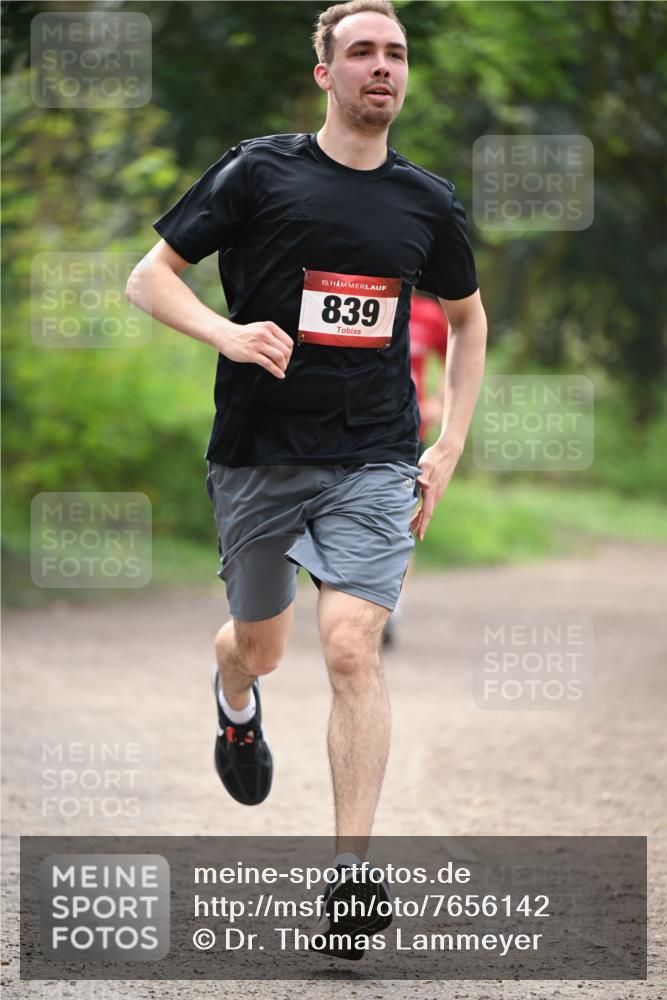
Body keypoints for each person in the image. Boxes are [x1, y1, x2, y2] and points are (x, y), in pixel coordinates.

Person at [126, 0, 487, 959]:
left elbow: (466, 319)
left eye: (395, 53)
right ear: (325, 73)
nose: (382, 66)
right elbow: (148, 277)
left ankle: (350, 878)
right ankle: (233, 696)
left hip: (375, 452)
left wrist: (448, 442)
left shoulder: (427, 202)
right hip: (259, 451)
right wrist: (226, 332)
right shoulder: (259, 171)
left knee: (352, 649)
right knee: (263, 646)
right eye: (361, 51)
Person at [382, 289, 449, 648]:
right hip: (354, 433)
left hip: (410, 433)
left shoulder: (429, 314)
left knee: (398, 522)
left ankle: (392, 608)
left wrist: (439, 401)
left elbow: (459, 353)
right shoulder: (366, 295)